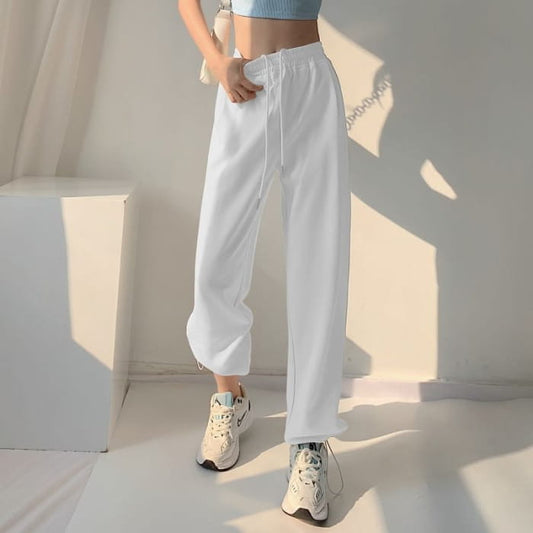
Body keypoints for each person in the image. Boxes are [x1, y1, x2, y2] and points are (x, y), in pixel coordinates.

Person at [178, 0, 349, 523]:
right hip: (244, 79)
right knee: (216, 256)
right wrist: (217, 60)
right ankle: (229, 398)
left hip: (311, 80)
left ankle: (309, 440)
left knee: (319, 263)